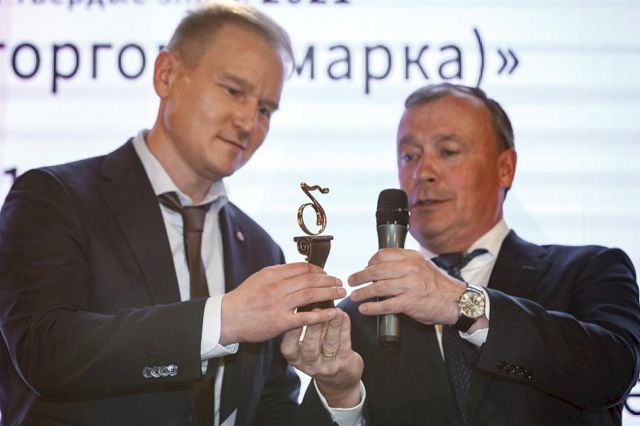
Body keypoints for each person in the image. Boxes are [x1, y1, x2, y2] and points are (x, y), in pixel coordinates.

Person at [0, 2, 349, 425]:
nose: (248, 122)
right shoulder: (55, 198)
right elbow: (45, 353)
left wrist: (340, 393)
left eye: (265, 109)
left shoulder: (260, 249)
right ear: (166, 75)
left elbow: (269, 409)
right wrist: (222, 319)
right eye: (233, 91)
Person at [294, 83, 640, 425]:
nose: (422, 173)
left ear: (505, 168)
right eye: (409, 156)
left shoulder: (588, 270)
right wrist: (340, 397)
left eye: (448, 151)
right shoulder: (363, 313)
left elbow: (614, 371)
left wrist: (463, 303)